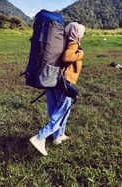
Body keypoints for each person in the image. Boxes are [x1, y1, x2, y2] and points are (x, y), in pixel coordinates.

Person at [29, 22, 85, 156]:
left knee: (54, 109)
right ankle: (40, 137)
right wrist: (80, 54)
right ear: (77, 33)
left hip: (52, 80)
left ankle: (58, 136)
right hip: (64, 83)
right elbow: (67, 57)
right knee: (62, 111)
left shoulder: (61, 42)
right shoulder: (73, 43)